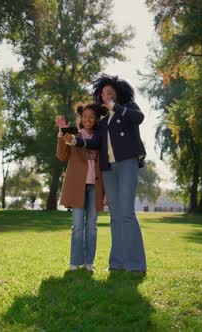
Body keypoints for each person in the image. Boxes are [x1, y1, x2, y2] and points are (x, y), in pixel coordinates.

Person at [64, 74, 147, 273]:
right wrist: (77, 141)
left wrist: (115, 107)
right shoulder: (102, 122)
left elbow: (140, 118)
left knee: (127, 213)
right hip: (108, 169)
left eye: (109, 93)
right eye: (102, 94)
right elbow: (94, 142)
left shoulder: (128, 108)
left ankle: (136, 265)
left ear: (118, 94)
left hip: (127, 163)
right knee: (115, 216)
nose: (105, 97)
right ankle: (117, 264)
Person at [56, 103, 107, 272]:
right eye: (85, 116)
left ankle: (89, 263)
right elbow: (61, 155)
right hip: (78, 186)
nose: (88, 120)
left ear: (97, 119)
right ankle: (75, 262)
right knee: (77, 225)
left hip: (96, 187)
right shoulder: (74, 134)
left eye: (91, 117)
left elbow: (106, 165)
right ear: (81, 118)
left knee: (91, 226)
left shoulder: (101, 137)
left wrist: (105, 192)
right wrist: (63, 131)